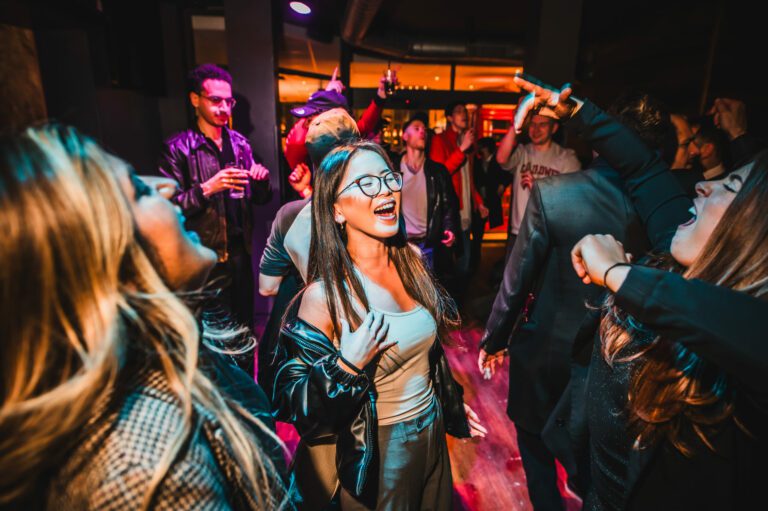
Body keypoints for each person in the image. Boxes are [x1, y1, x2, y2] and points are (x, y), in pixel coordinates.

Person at [513, 73, 768, 510]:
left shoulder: (744, 340)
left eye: (727, 187)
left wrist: (619, 274)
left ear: (748, 233)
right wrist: (578, 113)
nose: (702, 185)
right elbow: (643, 168)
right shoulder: (679, 248)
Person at [0, 125, 289, 510]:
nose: (165, 187)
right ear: (95, 255)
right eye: (137, 190)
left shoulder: (177, 342)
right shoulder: (147, 468)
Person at [477, 91, 671, 508]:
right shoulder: (673, 206)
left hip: (549, 349)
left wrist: (494, 338)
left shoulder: (555, 193)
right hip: (629, 361)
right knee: (600, 464)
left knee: (534, 444)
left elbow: (517, 278)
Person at [272, 140, 486, 510]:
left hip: (432, 435)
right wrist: (345, 367)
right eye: (366, 182)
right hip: (376, 452)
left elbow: (424, 349)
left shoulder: (413, 263)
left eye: (388, 178)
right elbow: (296, 406)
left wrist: (442, 397)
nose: (385, 189)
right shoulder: (325, 296)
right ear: (337, 209)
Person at [158, 64, 271, 369]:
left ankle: (249, 403)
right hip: (203, 258)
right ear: (195, 100)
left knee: (245, 337)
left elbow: (260, 200)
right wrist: (207, 188)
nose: (224, 108)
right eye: (215, 100)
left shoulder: (240, 145)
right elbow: (167, 207)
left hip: (239, 255)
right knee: (213, 343)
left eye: (228, 101)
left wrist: (260, 182)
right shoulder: (178, 148)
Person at [257, 107, 360, 392]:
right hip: (362, 345)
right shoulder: (374, 209)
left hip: (313, 352)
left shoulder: (290, 216)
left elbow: (267, 287)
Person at [284, 67, 394, 197]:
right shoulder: (311, 149)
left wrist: (306, 192)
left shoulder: (354, 159)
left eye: (311, 118)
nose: (306, 124)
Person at [495, 99, 581, 252]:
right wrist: (516, 123)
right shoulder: (522, 151)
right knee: (512, 277)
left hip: (548, 234)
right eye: (533, 124)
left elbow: (572, 198)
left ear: (553, 128)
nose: (536, 129)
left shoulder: (566, 157)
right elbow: (501, 158)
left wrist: (540, 187)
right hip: (519, 232)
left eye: (542, 124)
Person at [429, 102, 488, 288]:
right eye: (459, 112)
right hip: (451, 210)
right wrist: (461, 150)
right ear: (449, 117)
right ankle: (451, 301)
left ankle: (457, 299)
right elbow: (441, 174)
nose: (464, 115)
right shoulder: (440, 140)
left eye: (465, 112)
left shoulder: (467, 142)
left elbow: (468, 178)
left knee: (465, 260)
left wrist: (478, 202)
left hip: (467, 208)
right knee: (452, 263)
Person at [395, 117, 460, 270]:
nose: (422, 131)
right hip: (400, 245)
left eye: (424, 129)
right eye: (417, 128)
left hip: (427, 246)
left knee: (426, 292)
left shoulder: (437, 171)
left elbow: (448, 203)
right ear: (405, 136)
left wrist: (449, 228)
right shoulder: (393, 168)